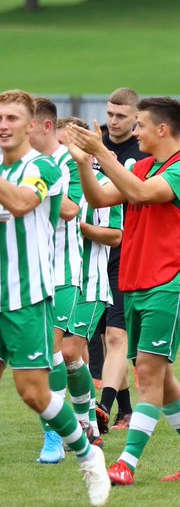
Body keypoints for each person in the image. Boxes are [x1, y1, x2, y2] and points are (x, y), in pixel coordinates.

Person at [69, 97, 180, 487]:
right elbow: (99, 198)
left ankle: (127, 464)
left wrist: (101, 150)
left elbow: (139, 194)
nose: (133, 132)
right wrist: (86, 163)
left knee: (149, 375)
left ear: (162, 130)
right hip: (135, 284)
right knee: (160, 376)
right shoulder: (141, 166)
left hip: (168, 285)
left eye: (139, 125)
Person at [0, 91, 110, 507]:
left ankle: (87, 454)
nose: (4, 124)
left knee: (33, 391)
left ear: (31, 125)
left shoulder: (45, 167)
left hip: (25, 296)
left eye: (12, 117)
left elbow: (23, 203)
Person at [56, 117, 122, 458]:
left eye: (68, 142)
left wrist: (80, 228)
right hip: (55, 280)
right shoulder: (50, 179)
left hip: (90, 281)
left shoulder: (99, 182)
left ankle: (80, 423)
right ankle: (85, 421)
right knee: (66, 356)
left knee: (69, 352)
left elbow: (116, 235)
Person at [25, 99, 85, 462]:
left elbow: (71, 208)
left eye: (25, 126)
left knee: (52, 352)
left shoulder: (69, 162)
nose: (16, 133)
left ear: (46, 126)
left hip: (63, 271)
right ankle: (84, 418)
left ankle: (54, 438)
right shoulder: (19, 162)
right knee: (58, 357)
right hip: (25, 272)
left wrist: (32, 192)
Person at [93, 87, 147, 431]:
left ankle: (103, 409)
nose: (113, 122)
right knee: (101, 339)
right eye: (110, 114)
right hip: (93, 251)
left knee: (116, 338)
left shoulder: (143, 151)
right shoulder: (93, 143)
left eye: (121, 116)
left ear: (136, 118)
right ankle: (126, 411)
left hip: (127, 251)